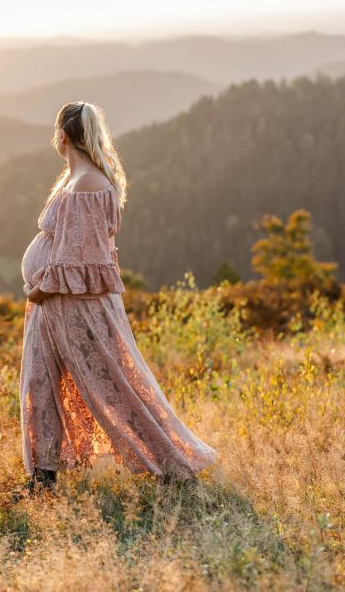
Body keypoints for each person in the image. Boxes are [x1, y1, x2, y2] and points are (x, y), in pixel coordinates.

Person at [19, 100, 217, 492]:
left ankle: (174, 470)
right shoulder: (74, 180)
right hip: (54, 304)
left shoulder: (90, 184)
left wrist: (40, 288)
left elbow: (85, 258)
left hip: (71, 304)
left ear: (62, 135)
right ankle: (43, 479)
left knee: (113, 386)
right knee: (40, 386)